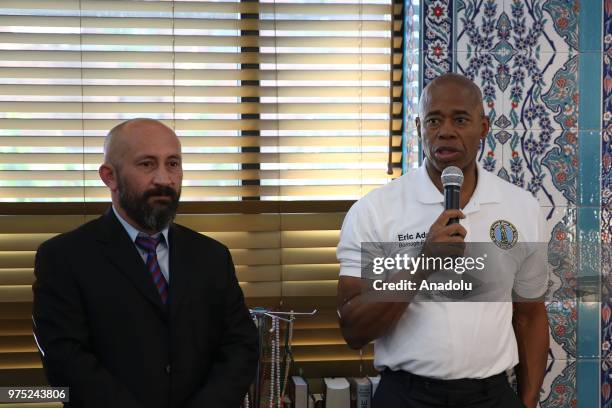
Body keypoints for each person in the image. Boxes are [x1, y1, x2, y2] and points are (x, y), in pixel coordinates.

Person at [336, 73, 549, 408]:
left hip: (491, 395)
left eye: (460, 119)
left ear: (484, 127)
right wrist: (423, 264)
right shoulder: (375, 210)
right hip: (406, 396)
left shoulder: (520, 207)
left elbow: (530, 315)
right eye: (434, 120)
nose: (445, 131)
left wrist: (528, 400)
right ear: (420, 127)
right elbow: (353, 329)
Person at [32, 118, 259, 408]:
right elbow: (66, 362)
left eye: (173, 163)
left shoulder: (213, 256)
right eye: (147, 164)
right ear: (109, 177)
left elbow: (241, 346)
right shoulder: (63, 258)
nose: (164, 179)